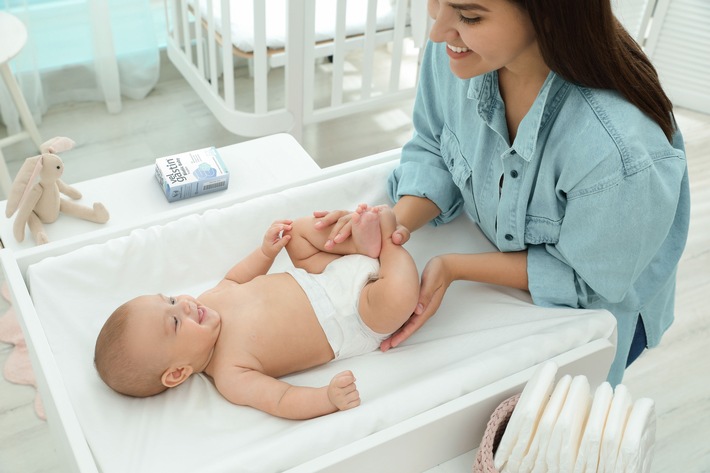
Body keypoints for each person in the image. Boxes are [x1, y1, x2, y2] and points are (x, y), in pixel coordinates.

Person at [314, 0, 690, 386]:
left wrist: (454, 267)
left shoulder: (618, 152)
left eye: (469, 16)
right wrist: (396, 221)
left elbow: (586, 280)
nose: (437, 30)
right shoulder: (457, 52)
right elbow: (435, 145)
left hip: (599, 306)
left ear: (546, 14)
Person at [94, 205, 419, 419]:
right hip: (356, 316)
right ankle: (389, 245)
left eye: (168, 299)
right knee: (398, 298)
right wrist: (327, 398)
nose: (184, 303)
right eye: (176, 321)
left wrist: (265, 252)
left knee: (299, 232)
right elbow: (281, 399)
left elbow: (237, 276)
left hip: (321, 272)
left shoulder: (210, 298)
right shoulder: (230, 374)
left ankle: (362, 249)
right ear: (177, 373)